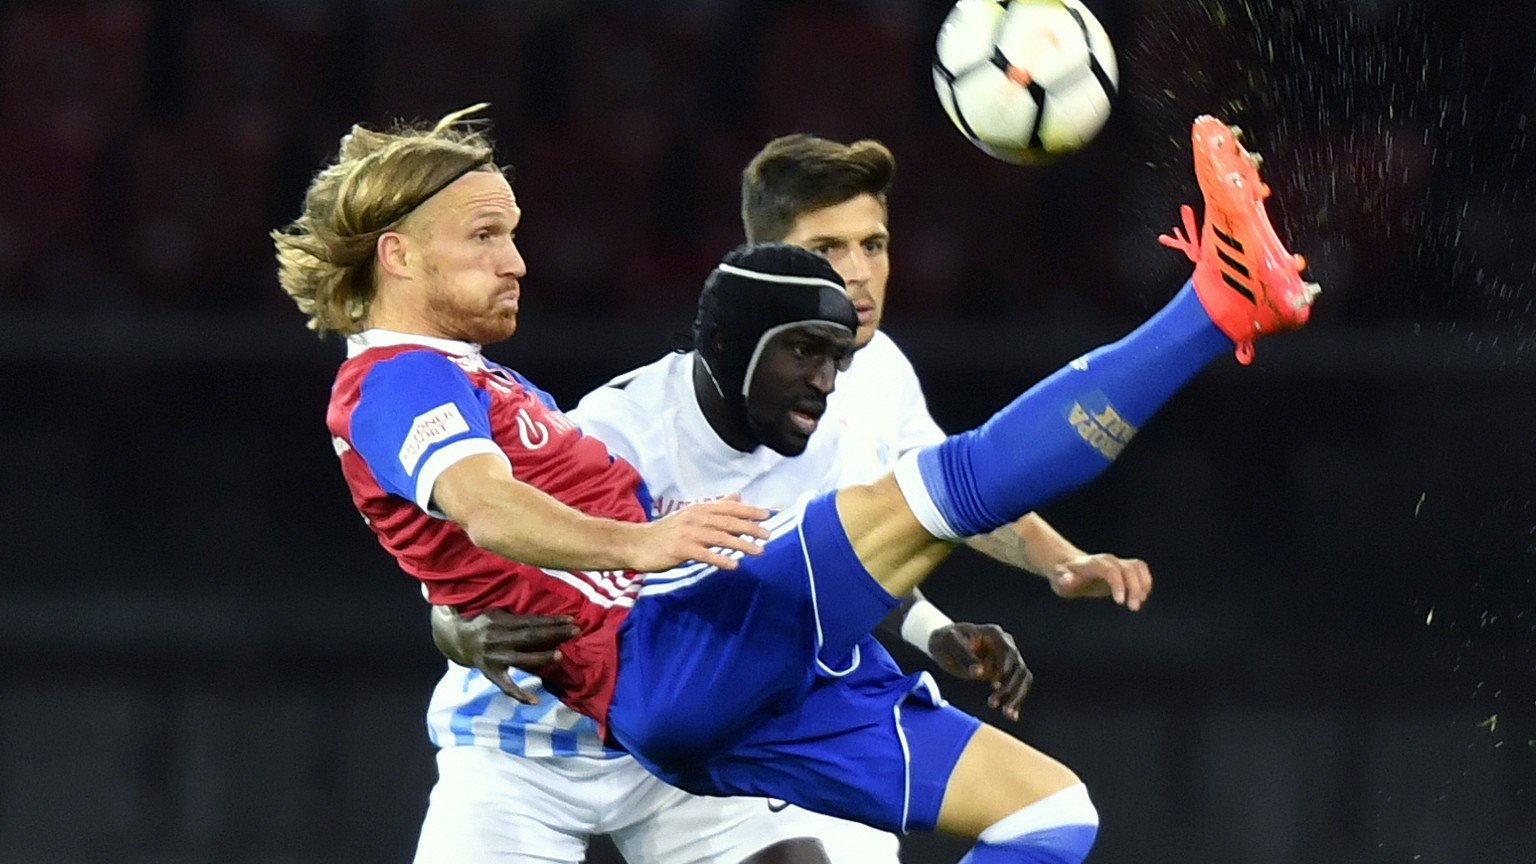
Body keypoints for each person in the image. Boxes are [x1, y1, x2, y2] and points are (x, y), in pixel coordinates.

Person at [272, 105, 1317, 864]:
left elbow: (464, 551)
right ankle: (1217, 303)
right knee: (952, 483)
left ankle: (1222, 302)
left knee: (1051, 814)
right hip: (646, 659)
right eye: (487, 237)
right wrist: (642, 547)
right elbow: (482, 508)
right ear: (397, 255)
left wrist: (969, 608)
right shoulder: (400, 379)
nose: (519, 264)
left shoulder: (465, 379)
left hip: (697, 680)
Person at [424, 132, 1159, 864]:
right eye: (829, 250)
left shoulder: (864, 385)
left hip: (689, 749)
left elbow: (906, 515)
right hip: (528, 742)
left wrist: (962, 613)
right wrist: (458, 634)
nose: (858, 275)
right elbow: (475, 560)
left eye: (874, 245)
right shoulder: (619, 429)